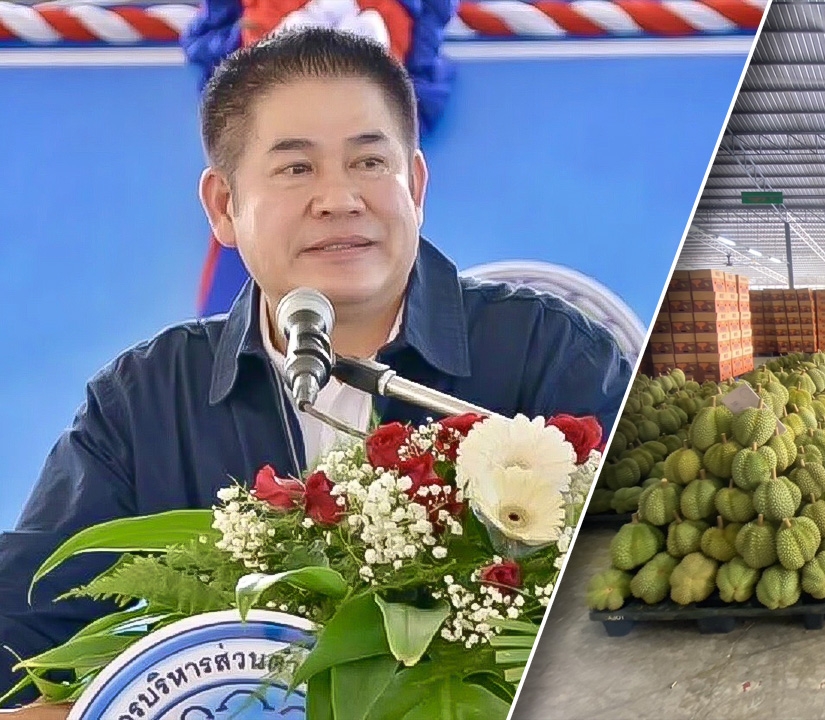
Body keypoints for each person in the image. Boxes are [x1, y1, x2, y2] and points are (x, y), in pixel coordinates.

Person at [0, 27, 630, 708]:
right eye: (296, 168)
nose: (338, 199)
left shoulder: (549, 353)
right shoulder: (145, 400)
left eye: (367, 163)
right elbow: (24, 627)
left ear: (414, 185)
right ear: (223, 206)